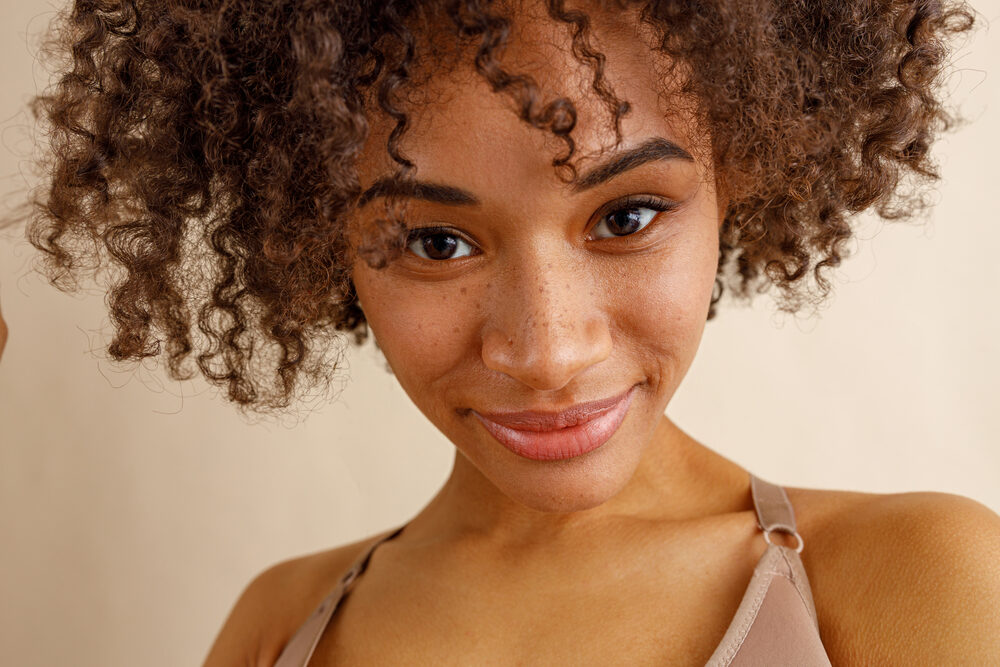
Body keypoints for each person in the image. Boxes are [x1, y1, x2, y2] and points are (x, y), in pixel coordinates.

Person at [19, 0, 999, 664]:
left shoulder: (907, 574)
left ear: (741, 171)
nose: (545, 352)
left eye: (625, 217)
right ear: (317, 234)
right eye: (437, 240)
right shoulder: (285, 626)